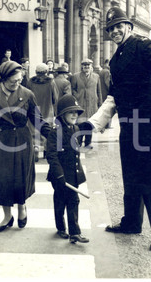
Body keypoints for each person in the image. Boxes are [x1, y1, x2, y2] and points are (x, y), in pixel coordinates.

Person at [88, 7, 151, 251]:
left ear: (129, 27)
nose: (114, 31)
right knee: (131, 175)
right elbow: (113, 97)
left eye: (119, 26)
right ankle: (131, 222)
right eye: (110, 29)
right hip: (131, 124)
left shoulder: (143, 45)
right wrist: (93, 124)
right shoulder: (116, 58)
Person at [0, 61, 51, 232]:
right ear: (3, 79)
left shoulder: (27, 94)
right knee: (3, 180)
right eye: (13, 81)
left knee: (20, 178)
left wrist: (55, 136)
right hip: (0, 142)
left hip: (21, 141)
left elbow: (37, 120)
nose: (17, 83)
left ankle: (22, 207)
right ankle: (7, 216)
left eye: (19, 80)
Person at [46, 94, 89, 243]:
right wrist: (59, 176)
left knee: (73, 201)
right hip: (60, 175)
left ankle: (75, 233)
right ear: (62, 114)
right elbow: (51, 156)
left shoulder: (75, 128)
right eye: (71, 112)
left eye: (76, 112)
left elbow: (75, 153)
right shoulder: (55, 132)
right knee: (60, 202)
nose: (74, 115)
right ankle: (60, 228)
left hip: (73, 174)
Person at [27, 63, 58, 160]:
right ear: (47, 71)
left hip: (34, 110)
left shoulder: (30, 81)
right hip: (47, 109)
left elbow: (27, 96)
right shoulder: (51, 82)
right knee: (46, 130)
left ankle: (35, 148)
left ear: (36, 72)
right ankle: (46, 151)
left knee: (34, 129)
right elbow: (55, 97)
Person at [71, 58, 102, 148]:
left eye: (88, 65)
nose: (86, 67)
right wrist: (76, 97)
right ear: (82, 66)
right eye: (85, 65)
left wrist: (100, 102)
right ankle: (79, 142)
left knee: (89, 124)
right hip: (80, 104)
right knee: (80, 125)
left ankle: (88, 143)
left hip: (92, 104)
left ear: (91, 66)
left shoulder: (96, 76)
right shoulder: (76, 76)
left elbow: (99, 91)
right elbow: (72, 89)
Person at [99, 59, 112, 128]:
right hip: (106, 93)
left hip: (102, 92)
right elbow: (108, 83)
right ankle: (107, 125)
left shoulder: (101, 71)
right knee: (108, 109)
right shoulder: (107, 72)